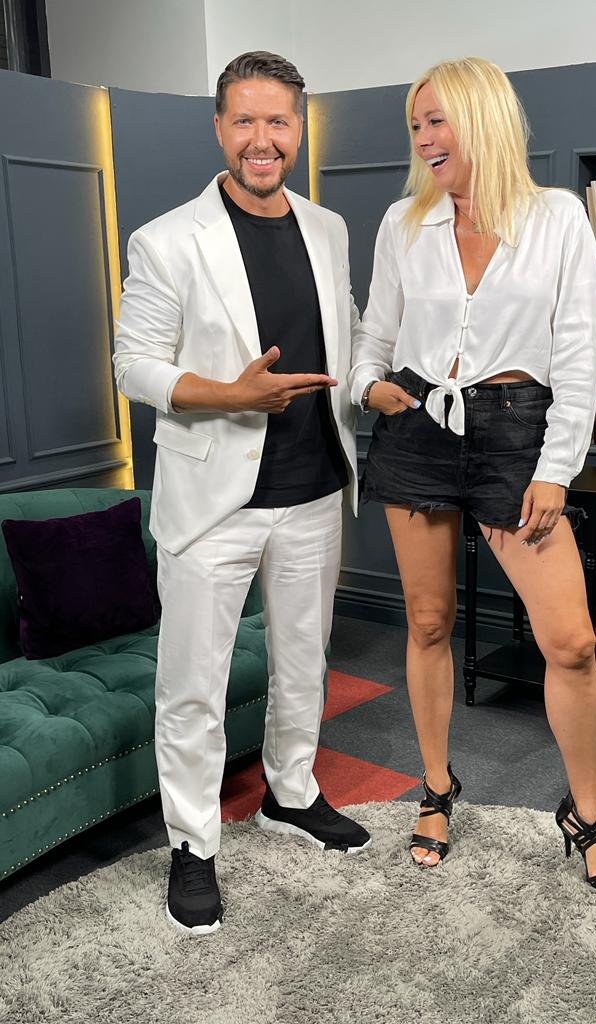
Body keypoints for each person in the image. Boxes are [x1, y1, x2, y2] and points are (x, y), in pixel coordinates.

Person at [349, 57, 596, 896]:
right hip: (417, 429)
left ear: (483, 118)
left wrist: (556, 469)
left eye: (437, 120)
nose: (424, 139)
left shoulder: (556, 217)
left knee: (570, 642)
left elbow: (579, 355)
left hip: (517, 437)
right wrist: (368, 387)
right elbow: (376, 333)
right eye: (416, 125)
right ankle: (437, 789)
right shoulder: (404, 222)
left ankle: (586, 816)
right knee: (429, 622)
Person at [114, 51, 369, 936]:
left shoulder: (329, 228)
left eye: (279, 122)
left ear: (299, 128)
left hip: (314, 488)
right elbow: (133, 364)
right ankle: (193, 842)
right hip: (212, 501)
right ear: (220, 128)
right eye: (246, 121)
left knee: (304, 661)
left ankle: (291, 793)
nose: (264, 139)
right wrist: (230, 394)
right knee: (194, 684)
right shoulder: (165, 239)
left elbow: (348, 334)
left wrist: (374, 384)